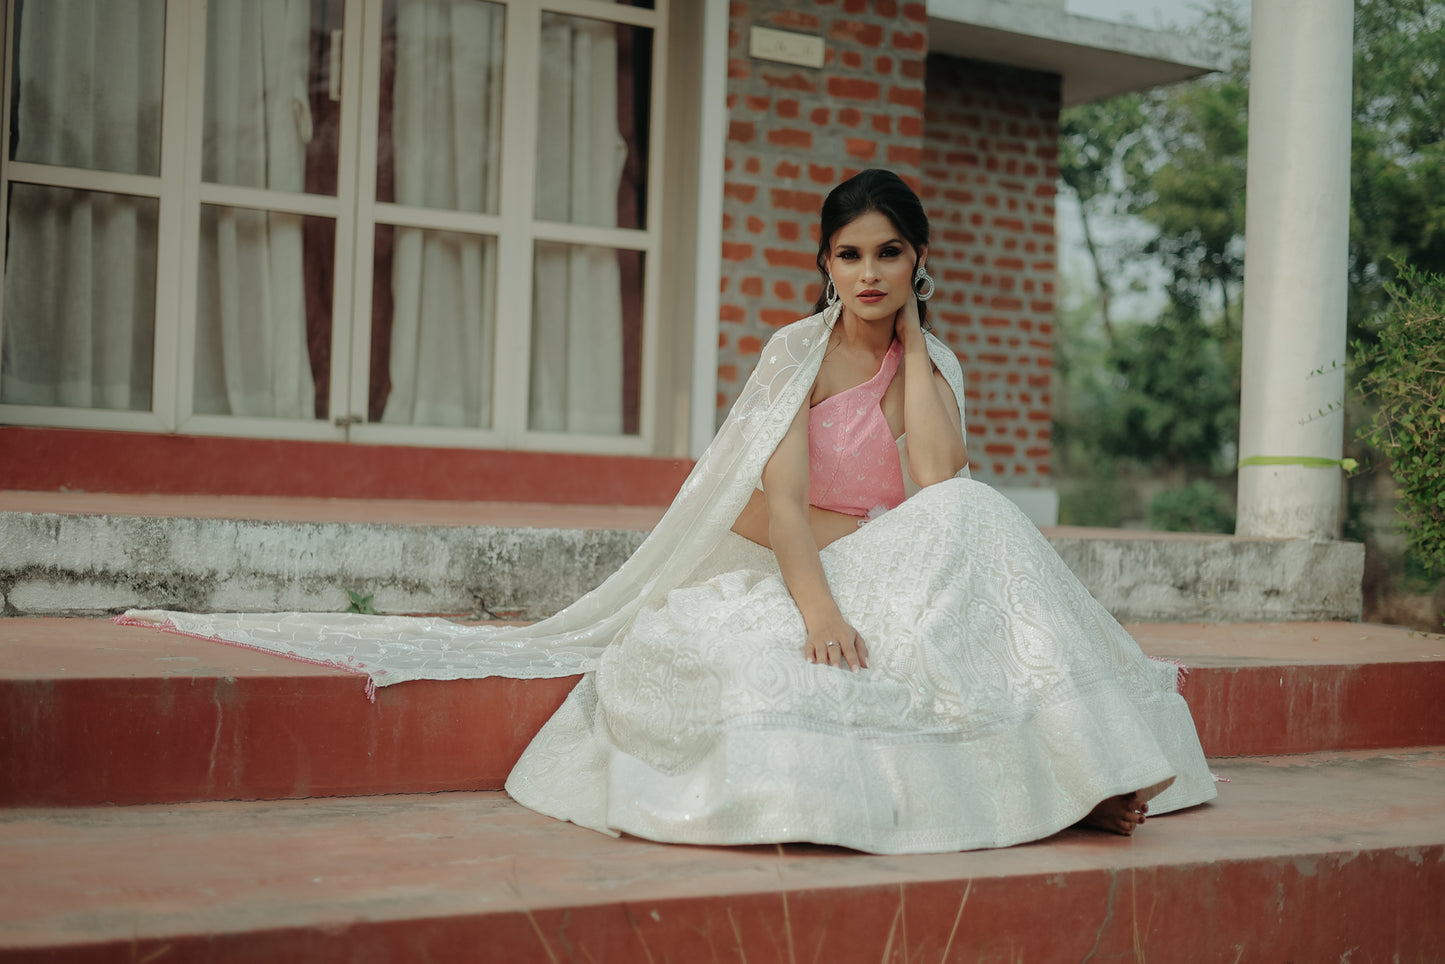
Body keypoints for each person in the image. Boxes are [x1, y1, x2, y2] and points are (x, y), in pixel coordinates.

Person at [123, 169, 1216, 854]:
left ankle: (1087, 776)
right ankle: (1080, 785)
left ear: (917, 259)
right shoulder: (792, 356)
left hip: (913, 560)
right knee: (915, 571)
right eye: (848, 253)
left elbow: (936, 488)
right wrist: (819, 610)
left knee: (976, 513)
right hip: (807, 566)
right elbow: (780, 506)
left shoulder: (934, 366)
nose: (868, 272)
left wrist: (917, 348)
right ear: (823, 263)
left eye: (889, 252)